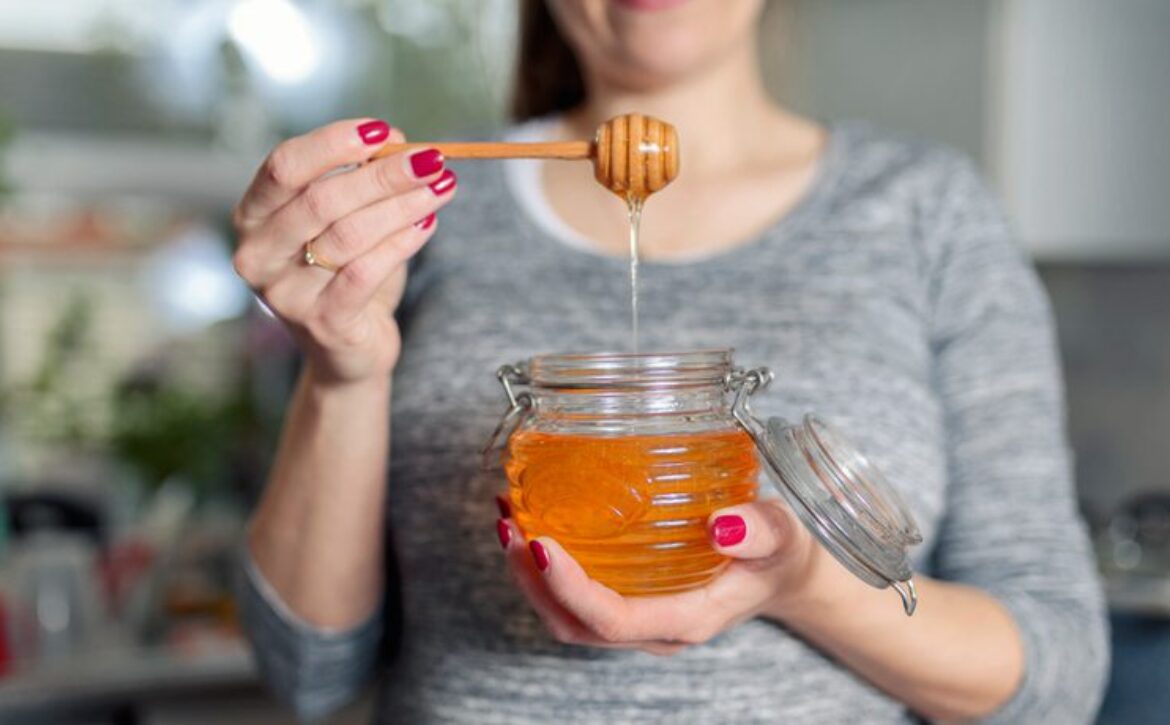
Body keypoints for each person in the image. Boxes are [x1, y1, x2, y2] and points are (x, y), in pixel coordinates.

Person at [232, 1, 1108, 722]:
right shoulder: (413, 216)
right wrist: (343, 373)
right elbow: (307, 674)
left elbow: (1060, 673)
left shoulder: (927, 211)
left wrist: (805, 586)